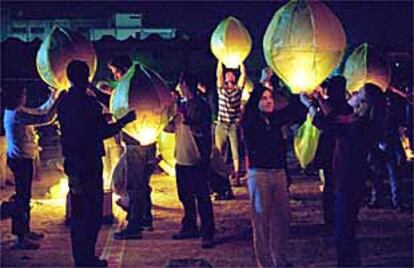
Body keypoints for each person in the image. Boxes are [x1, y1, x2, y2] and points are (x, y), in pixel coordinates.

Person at [57, 60, 136, 266]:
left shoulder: (64, 102)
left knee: (79, 213)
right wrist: (123, 121)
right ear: (87, 77)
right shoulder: (89, 104)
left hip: (73, 163)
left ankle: (80, 259)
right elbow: (102, 131)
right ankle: (89, 259)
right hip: (90, 163)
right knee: (92, 213)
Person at [242, 86, 306, 267]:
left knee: (281, 218)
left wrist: (295, 88)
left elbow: (295, 111)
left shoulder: (275, 119)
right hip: (259, 173)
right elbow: (253, 144)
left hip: (278, 172)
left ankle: (279, 259)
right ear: (256, 102)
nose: (269, 101)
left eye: (270, 97)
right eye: (264, 98)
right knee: (261, 220)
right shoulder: (250, 122)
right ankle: (264, 263)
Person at [3, 82, 63, 250]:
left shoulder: (17, 111)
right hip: (21, 161)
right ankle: (20, 238)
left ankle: (25, 231)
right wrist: (59, 100)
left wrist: (53, 97)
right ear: (16, 97)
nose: (25, 96)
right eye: (23, 93)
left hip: (22, 159)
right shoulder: (17, 114)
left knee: (24, 197)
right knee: (22, 199)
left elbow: (40, 111)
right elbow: (45, 118)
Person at [166, 73, 215, 249]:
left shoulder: (201, 106)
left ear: (185, 85)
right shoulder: (180, 106)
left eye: (180, 84)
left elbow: (203, 130)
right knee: (185, 196)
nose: (179, 87)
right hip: (181, 157)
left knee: (202, 197)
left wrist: (187, 121)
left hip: (197, 158)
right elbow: (170, 128)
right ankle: (189, 226)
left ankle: (207, 232)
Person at [215, 61, 246, 187]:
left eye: (231, 74)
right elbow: (219, 75)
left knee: (235, 151)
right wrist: (220, 60)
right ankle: (219, 174)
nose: (229, 75)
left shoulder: (238, 90)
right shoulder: (221, 89)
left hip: (233, 125)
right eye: (227, 74)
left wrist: (240, 61)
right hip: (221, 124)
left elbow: (243, 74)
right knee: (218, 151)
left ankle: (237, 176)